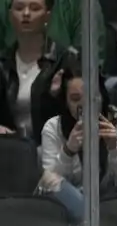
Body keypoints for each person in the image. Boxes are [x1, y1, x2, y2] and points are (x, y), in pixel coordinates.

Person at [39, 58, 117, 223]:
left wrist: (115, 148)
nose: (84, 106)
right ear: (65, 101)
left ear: (102, 96)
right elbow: (49, 187)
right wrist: (68, 151)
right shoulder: (53, 128)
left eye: (92, 98)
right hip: (69, 212)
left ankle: (94, 223)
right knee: (49, 179)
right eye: (75, 99)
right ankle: (91, 222)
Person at [0, 0, 68, 142]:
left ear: (47, 16)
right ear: (10, 15)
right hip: (10, 150)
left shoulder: (64, 61)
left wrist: (56, 97)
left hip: (54, 149)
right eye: (19, 8)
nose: (26, 14)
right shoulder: (2, 63)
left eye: (35, 8)